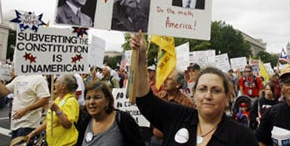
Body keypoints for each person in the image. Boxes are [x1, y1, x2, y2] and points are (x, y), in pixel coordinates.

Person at [131, 32, 259, 145]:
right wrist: (141, 58)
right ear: (194, 93)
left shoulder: (242, 136)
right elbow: (144, 100)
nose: (208, 95)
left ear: (227, 97)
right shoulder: (178, 116)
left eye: (216, 90)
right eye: (202, 89)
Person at [76, 81, 145, 146]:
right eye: (88, 98)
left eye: (97, 97)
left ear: (107, 101)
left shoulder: (123, 119)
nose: (91, 102)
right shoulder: (85, 121)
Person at [0, 67, 50, 140]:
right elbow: (3, 91)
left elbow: (45, 99)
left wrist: (25, 109)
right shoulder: (19, 77)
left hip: (29, 125)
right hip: (15, 124)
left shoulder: (39, 78)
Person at [26, 74, 80, 146]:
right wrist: (34, 132)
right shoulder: (57, 100)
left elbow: (67, 125)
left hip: (66, 144)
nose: (54, 84)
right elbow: (49, 121)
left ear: (63, 86)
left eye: (57, 82)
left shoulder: (71, 101)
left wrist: (57, 110)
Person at [151, 69, 196, 145]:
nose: (164, 81)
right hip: (156, 140)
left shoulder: (187, 104)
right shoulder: (159, 96)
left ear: (177, 85)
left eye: (169, 79)